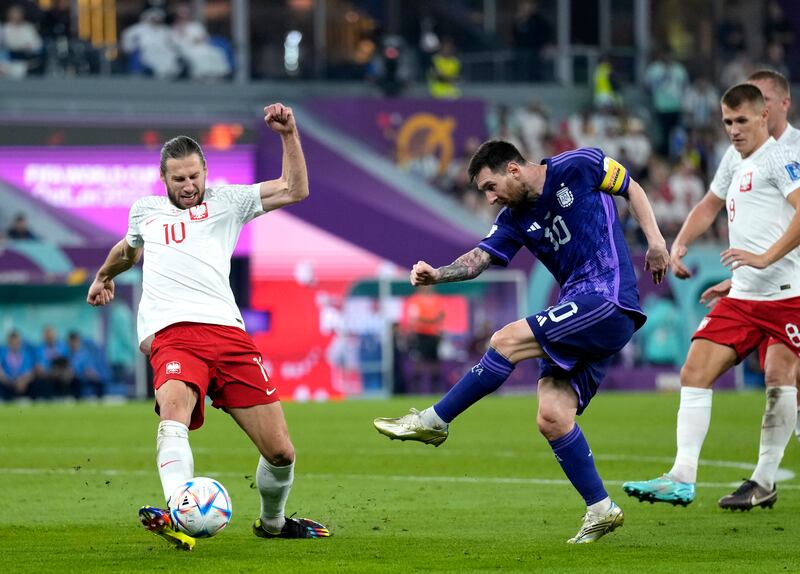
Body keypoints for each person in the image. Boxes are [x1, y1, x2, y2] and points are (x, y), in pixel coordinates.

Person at [374, 140, 670, 544]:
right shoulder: (513, 218)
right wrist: (437, 275)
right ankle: (601, 508)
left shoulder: (579, 165)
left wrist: (655, 241)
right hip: (579, 307)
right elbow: (479, 259)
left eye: (490, 187)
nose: (491, 198)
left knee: (505, 339)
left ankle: (434, 421)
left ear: (513, 169)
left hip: (608, 296)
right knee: (552, 416)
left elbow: (631, 187)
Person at [86, 103, 330, 550]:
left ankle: (273, 524)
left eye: (194, 176)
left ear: (205, 171)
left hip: (229, 336)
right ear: (164, 180)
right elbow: (127, 250)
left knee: (280, 452)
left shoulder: (228, 202)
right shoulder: (146, 211)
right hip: (173, 334)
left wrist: (288, 134)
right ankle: (179, 511)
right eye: (178, 178)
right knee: (173, 411)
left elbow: (296, 189)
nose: (188, 185)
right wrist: (104, 276)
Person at [622, 82, 800, 512]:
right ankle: (682, 477)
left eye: (742, 121)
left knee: (782, 378)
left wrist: (762, 258)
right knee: (695, 369)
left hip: (787, 297)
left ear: (763, 117)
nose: (734, 129)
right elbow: (707, 206)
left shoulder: (780, 158)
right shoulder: (732, 161)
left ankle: (763, 478)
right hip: (743, 297)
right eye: (727, 122)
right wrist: (678, 243)